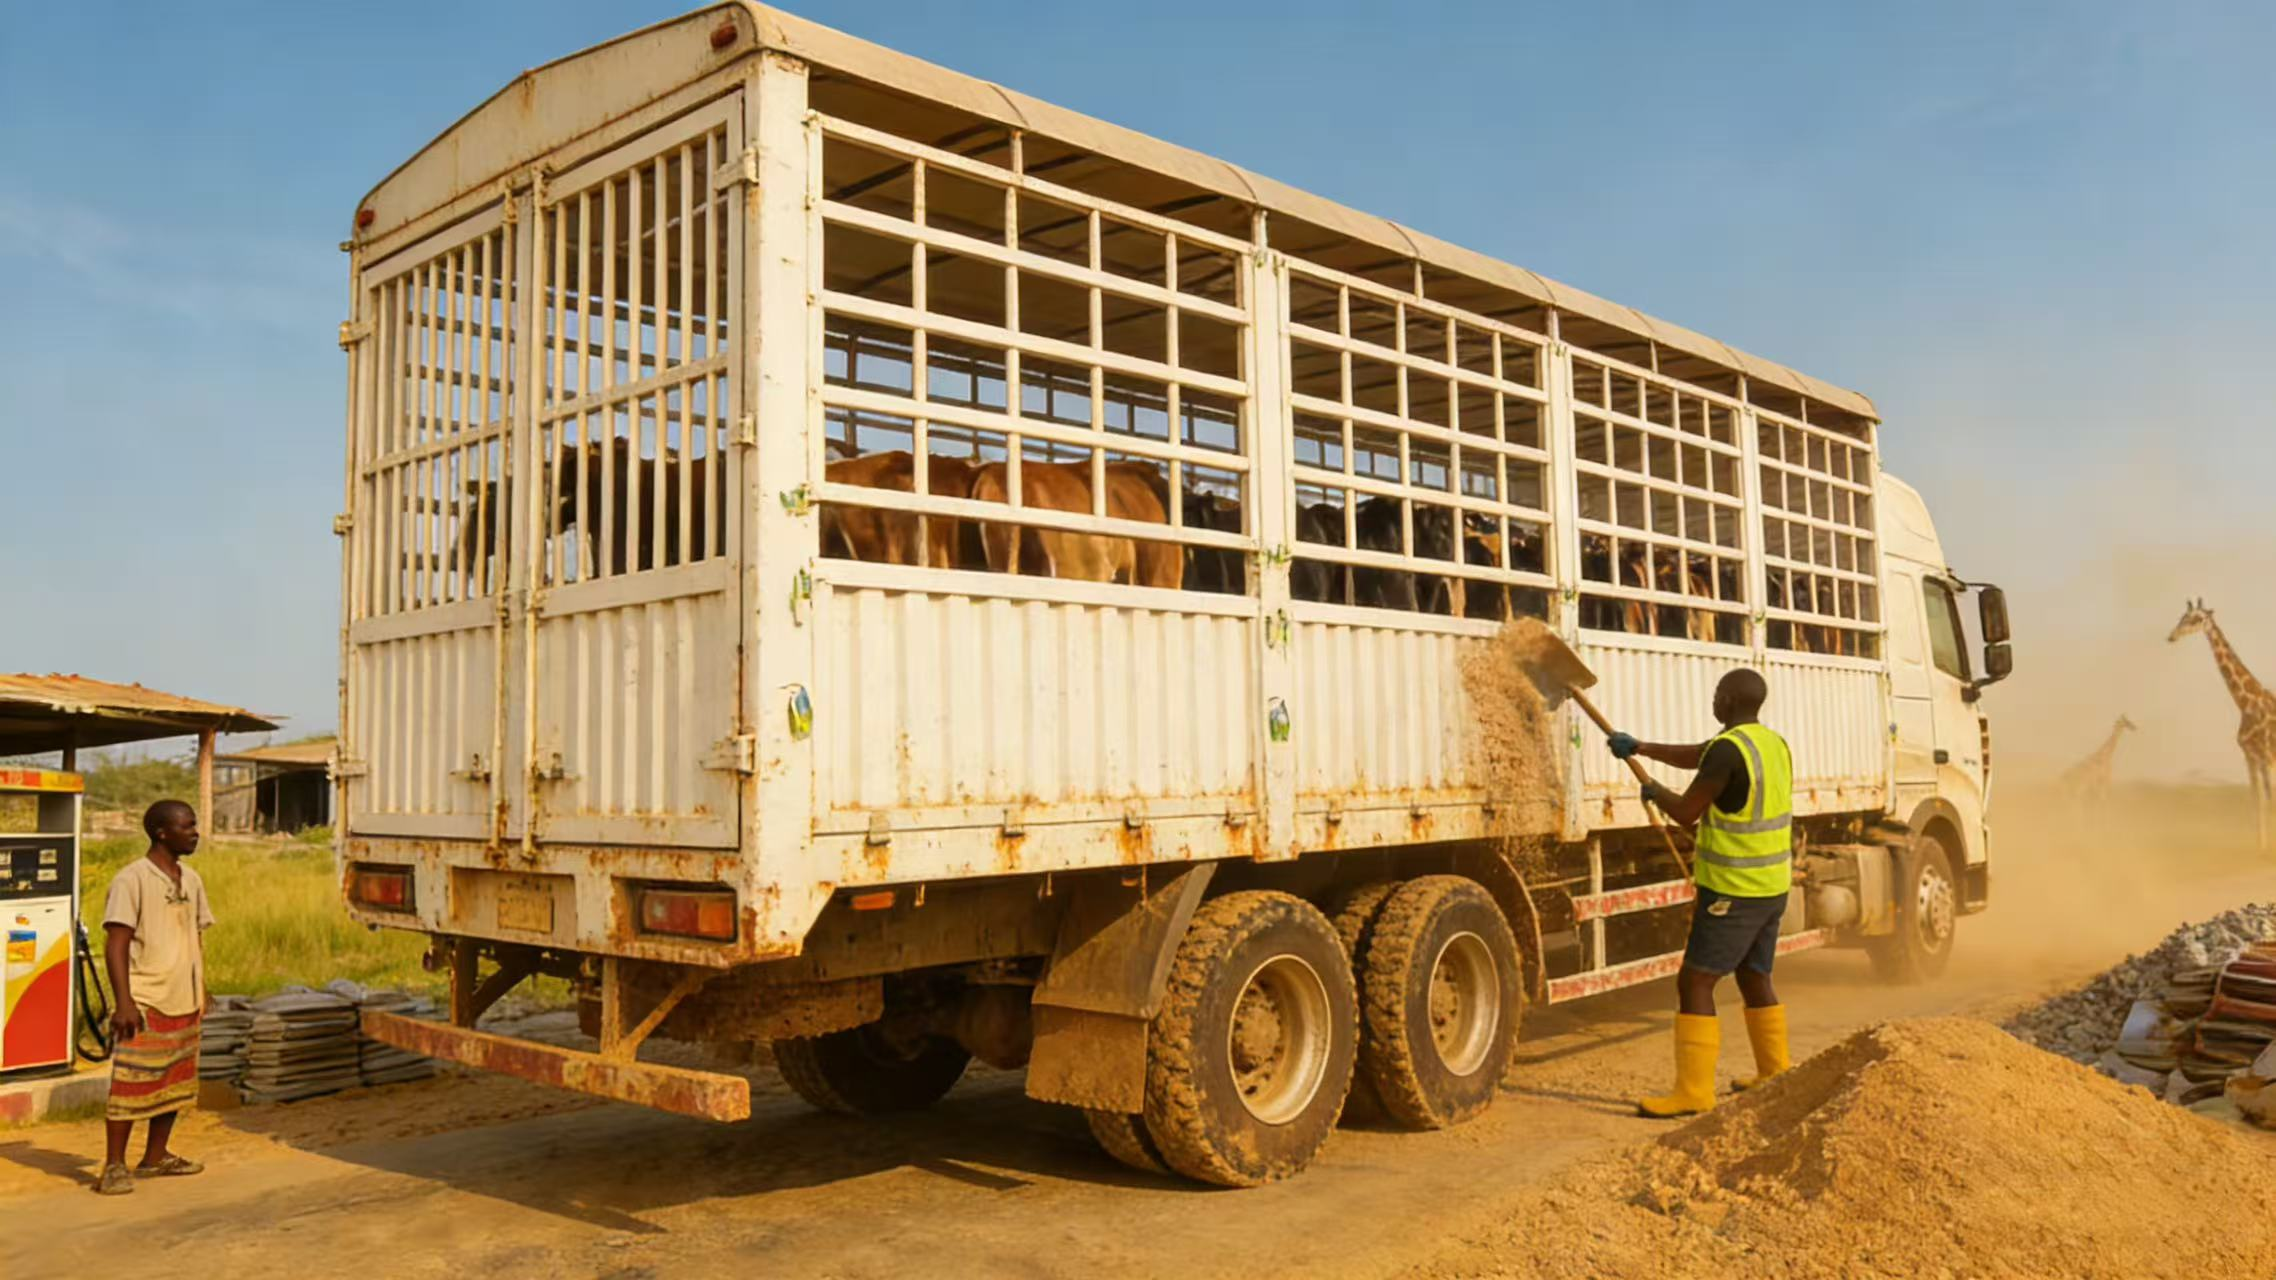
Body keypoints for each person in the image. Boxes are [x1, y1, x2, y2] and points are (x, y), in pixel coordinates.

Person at [1608, 668, 1793, 1118]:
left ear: (1728, 701)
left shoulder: (1729, 751)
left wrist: (1654, 791)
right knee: (1754, 977)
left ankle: (1693, 1092)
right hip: (1771, 886)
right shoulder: (1769, 743)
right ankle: (1776, 1073)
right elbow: (1699, 756)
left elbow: (1688, 813)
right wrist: (1642, 748)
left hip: (1734, 889)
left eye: (1716, 695)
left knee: (1696, 980)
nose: (1712, 701)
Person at [95, 799, 214, 1195]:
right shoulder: (132, 880)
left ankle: (155, 1156)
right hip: (146, 999)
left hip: (184, 997)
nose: (195, 832)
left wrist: (202, 986)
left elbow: (195, 934)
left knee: (173, 1081)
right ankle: (114, 1165)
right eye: (188, 825)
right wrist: (124, 1002)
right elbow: (117, 943)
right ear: (162, 832)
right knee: (131, 1083)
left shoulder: (191, 879)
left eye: (194, 825)